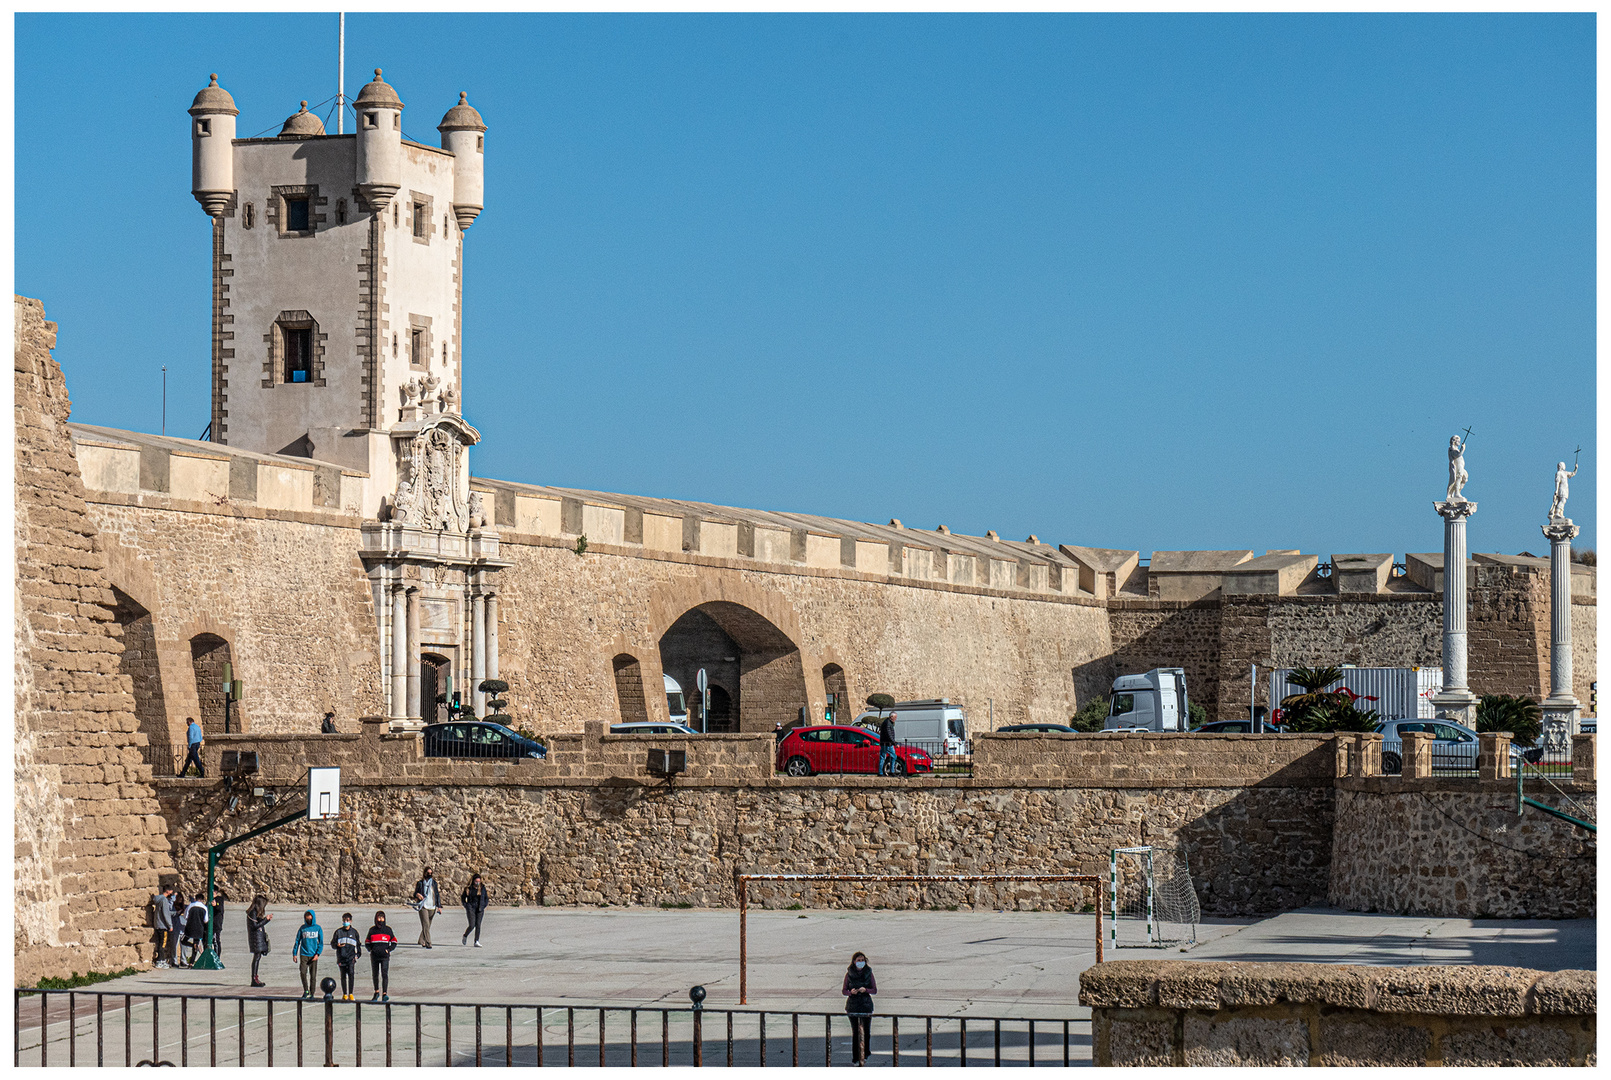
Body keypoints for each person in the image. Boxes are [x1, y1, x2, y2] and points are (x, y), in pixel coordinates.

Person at [842, 951, 878, 1065]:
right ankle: (856, 1057)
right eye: (858, 960)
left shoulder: (869, 972)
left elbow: (874, 989)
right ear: (854, 962)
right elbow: (844, 990)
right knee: (856, 1032)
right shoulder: (849, 974)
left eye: (862, 960)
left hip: (865, 1004)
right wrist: (850, 992)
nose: (860, 962)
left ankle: (866, 1053)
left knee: (866, 1031)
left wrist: (866, 990)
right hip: (853, 1005)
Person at [365, 911, 398, 1002]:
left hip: (385, 956)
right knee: (375, 974)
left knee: (384, 974)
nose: (380, 920)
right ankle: (376, 992)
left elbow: (394, 941)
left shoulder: (388, 930)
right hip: (374, 956)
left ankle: (384, 993)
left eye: (382, 918)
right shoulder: (372, 930)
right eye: (379, 918)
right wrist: (371, 949)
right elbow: (367, 942)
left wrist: (389, 949)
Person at [292, 910, 324, 999]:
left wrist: (318, 954)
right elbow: (297, 941)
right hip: (304, 954)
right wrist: (294, 954)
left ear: (313, 917)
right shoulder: (302, 928)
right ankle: (306, 990)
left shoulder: (318, 928)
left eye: (310, 916)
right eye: (306, 916)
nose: (308, 918)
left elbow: (321, 943)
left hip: (313, 955)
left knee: (313, 975)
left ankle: (312, 992)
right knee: (303, 972)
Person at [332, 913, 362, 1001]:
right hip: (341, 958)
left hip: (351, 958)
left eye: (347, 920)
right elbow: (333, 944)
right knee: (343, 976)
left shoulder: (354, 932)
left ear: (351, 921)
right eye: (344, 920)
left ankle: (351, 993)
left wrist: (358, 955)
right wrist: (337, 945)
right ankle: (344, 993)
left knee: (351, 974)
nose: (345, 922)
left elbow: (358, 945)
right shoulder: (338, 932)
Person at [246, 895, 272, 988]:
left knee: (258, 957)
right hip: (256, 938)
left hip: (258, 938)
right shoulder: (252, 912)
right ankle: (254, 979)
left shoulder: (254, 912)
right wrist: (266, 920)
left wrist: (265, 920)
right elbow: (255, 926)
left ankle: (255, 978)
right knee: (256, 958)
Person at [412, 867, 442, 948]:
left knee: (428, 925)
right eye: (428, 873)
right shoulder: (420, 883)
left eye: (431, 873)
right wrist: (417, 895)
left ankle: (421, 940)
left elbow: (437, 895)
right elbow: (415, 893)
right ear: (424, 873)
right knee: (425, 924)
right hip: (423, 905)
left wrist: (439, 906)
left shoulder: (434, 883)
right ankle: (428, 942)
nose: (429, 874)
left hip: (432, 906)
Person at [460, 873, 490, 947]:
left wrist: (484, 905)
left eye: (478, 881)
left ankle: (476, 941)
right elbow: (463, 898)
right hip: (471, 908)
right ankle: (465, 935)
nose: (477, 883)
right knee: (472, 925)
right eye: (476, 881)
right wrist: (466, 905)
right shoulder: (468, 888)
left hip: (480, 908)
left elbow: (486, 898)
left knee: (478, 925)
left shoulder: (482, 888)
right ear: (473, 881)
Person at [150, 884, 175, 969]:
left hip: (157, 924)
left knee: (160, 943)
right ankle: (160, 961)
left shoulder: (158, 899)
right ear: (168, 891)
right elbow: (166, 914)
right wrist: (170, 925)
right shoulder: (164, 900)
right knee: (163, 944)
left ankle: (161, 960)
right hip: (163, 926)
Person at [180, 894, 208, 966]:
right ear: (202, 900)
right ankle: (191, 963)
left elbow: (185, 916)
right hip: (199, 928)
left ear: (195, 899)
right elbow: (206, 920)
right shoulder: (204, 908)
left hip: (190, 927)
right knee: (196, 942)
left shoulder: (191, 906)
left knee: (183, 940)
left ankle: (192, 945)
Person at [877, 712, 898, 777]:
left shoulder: (887, 722)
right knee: (892, 756)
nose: (895, 719)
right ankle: (890, 771)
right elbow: (889, 735)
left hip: (886, 743)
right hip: (887, 743)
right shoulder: (888, 724)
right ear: (891, 717)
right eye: (895, 717)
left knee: (884, 757)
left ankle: (883, 772)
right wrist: (894, 743)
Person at [211, 888, 228, 958]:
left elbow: (220, 909)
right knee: (210, 940)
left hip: (216, 924)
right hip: (210, 923)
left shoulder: (219, 899)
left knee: (216, 941)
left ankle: (217, 957)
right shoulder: (210, 900)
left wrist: (216, 905)